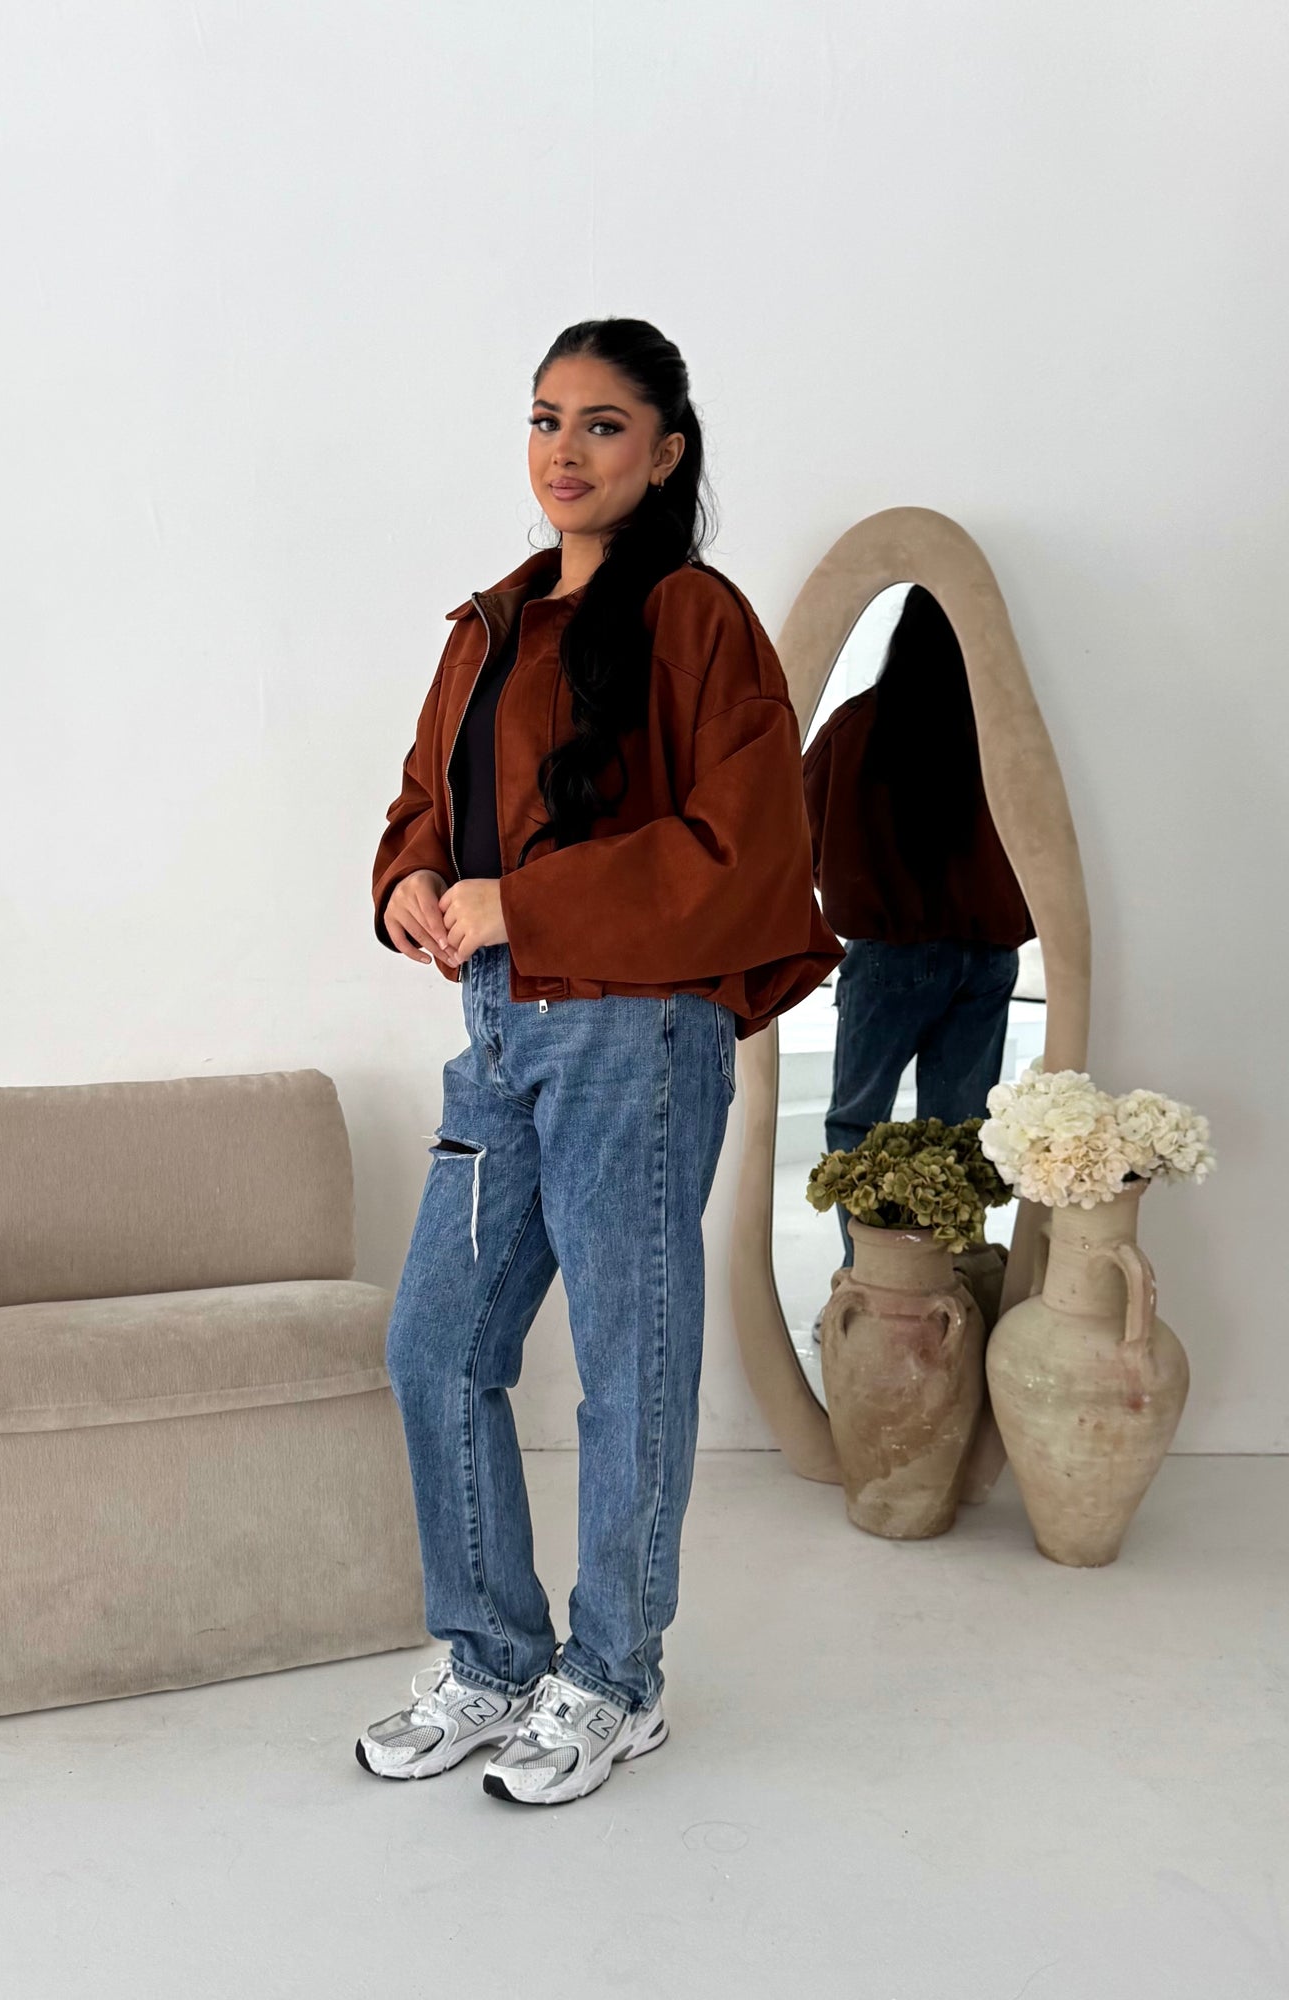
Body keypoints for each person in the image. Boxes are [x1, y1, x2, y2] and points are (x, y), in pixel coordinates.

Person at [359, 318, 840, 1807]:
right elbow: (421, 801)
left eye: (603, 424)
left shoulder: (696, 618)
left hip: (637, 1034)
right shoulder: (488, 626)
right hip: (498, 1027)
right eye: (544, 419)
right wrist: (409, 881)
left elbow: (745, 850)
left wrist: (529, 902)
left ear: (666, 452)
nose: (564, 450)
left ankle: (616, 1681)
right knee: (436, 1345)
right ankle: (494, 1657)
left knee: (628, 1366)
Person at [803, 585, 1035, 1265]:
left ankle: (873, 1277)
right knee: (961, 1131)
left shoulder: (856, 727)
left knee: (858, 1122)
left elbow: (796, 833)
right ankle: (950, 1277)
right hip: (987, 954)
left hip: (891, 952)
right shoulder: (1005, 735)